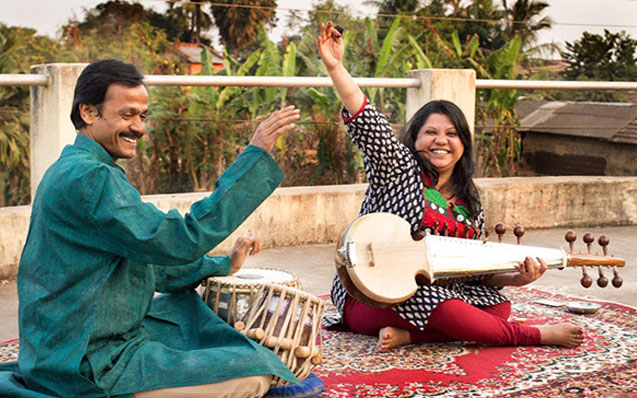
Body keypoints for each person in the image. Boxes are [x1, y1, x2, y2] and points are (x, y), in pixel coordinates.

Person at [0, 59, 301, 398]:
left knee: (184, 310)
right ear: (88, 112)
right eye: (127, 115)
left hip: (57, 348)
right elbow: (177, 241)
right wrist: (255, 154)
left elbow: (144, 262)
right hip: (86, 362)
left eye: (142, 116)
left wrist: (221, 265)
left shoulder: (73, 167)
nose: (139, 128)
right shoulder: (92, 177)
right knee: (256, 375)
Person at [317, 22, 585, 352]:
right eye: (430, 132)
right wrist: (336, 67)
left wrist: (516, 278)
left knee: (497, 307)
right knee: (440, 304)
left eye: (452, 134)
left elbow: (471, 273)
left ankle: (412, 336)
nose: (441, 141)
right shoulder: (397, 169)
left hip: (429, 293)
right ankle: (536, 335)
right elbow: (367, 122)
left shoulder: (471, 204)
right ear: (414, 139)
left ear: (463, 145)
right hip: (372, 295)